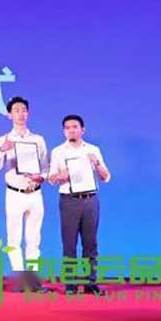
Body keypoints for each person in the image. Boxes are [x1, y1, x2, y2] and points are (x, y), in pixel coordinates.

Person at [48, 114, 111, 296]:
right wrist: (61, 176)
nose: (71, 130)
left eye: (75, 127)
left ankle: (91, 283)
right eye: (67, 128)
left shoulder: (93, 150)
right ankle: (71, 284)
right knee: (69, 244)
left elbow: (106, 177)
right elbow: (51, 179)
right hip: (69, 200)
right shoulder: (58, 151)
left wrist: (96, 163)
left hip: (90, 200)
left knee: (90, 244)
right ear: (64, 131)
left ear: (82, 130)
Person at [0, 96, 49, 292]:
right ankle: (20, 278)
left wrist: (42, 177)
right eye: (16, 110)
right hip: (14, 194)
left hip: (35, 193)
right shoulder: (4, 139)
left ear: (28, 113)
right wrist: (1, 150)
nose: (20, 114)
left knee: (34, 239)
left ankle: (33, 279)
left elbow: (46, 167)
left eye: (23, 110)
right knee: (14, 239)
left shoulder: (38, 140)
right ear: (9, 115)